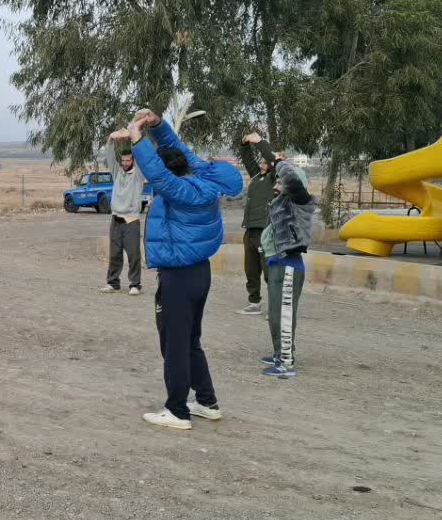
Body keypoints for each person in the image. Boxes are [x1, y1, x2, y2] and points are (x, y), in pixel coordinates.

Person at [125, 109, 243, 430]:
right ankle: (207, 401)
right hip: (199, 273)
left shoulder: (181, 190)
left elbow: (159, 175)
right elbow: (181, 152)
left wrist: (137, 139)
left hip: (178, 276)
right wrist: (158, 126)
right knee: (190, 340)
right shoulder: (206, 180)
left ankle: (177, 410)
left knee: (174, 343)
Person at [259, 160, 319, 378]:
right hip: (278, 265)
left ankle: (285, 362)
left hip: (288, 266)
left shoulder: (300, 202)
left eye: (280, 182)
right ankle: (280, 353)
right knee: (275, 314)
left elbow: (292, 181)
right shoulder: (283, 202)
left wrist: (277, 161)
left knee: (283, 315)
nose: (276, 185)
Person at [236, 131, 278, 315]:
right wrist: (245, 144)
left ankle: (275, 307)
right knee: (251, 270)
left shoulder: (274, 178)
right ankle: (254, 302)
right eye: (261, 162)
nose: (262, 165)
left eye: (265, 163)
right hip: (251, 230)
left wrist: (259, 142)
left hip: (265, 230)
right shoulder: (256, 176)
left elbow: (273, 158)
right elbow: (248, 160)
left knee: (269, 272)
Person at [99, 139, 146, 295]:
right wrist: (110, 140)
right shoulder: (117, 172)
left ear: (133, 160)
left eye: (129, 160)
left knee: (133, 254)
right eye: (123, 160)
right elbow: (110, 156)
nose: (125, 163)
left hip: (131, 220)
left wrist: (133, 137)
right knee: (114, 254)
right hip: (116, 220)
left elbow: (140, 157)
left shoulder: (138, 174)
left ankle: (135, 285)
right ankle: (113, 283)